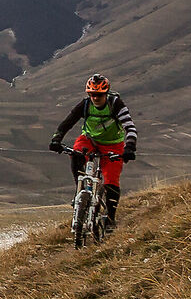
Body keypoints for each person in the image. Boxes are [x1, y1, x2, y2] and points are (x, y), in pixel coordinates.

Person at [49, 73, 138, 229]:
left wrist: (129, 147)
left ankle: (110, 219)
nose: (95, 98)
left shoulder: (116, 104)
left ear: (106, 93)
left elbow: (130, 128)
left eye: (99, 95)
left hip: (113, 144)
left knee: (111, 180)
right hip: (90, 140)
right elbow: (67, 123)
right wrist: (56, 139)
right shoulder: (85, 104)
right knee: (76, 153)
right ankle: (80, 191)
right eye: (92, 94)